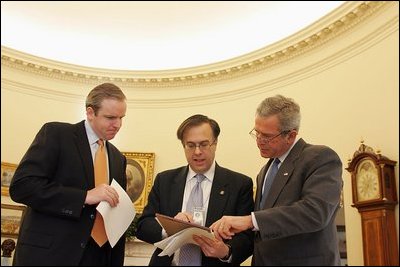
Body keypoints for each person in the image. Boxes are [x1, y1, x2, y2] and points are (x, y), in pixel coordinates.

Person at [210, 95, 343, 266]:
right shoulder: (264, 171)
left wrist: (250, 220)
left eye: (266, 136)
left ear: (291, 135)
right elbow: (263, 230)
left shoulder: (320, 158)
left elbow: (315, 212)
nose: (259, 141)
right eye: (256, 132)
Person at [9, 83, 128, 266]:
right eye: (111, 117)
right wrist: (84, 196)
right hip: (51, 255)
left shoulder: (118, 158)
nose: (118, 124)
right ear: (90, 112)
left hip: (98, 257)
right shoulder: (56, 134)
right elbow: (22, 187)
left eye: (121, 118)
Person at [136, 114, 254, 266]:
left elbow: (247, 238)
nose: (197, 152)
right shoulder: (164, 180)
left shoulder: (239, 184)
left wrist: (226, 251)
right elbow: (143, 225)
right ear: (183, 146)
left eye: (204, 144)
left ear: (215, 143)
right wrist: (170, 229)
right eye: (191, 145)